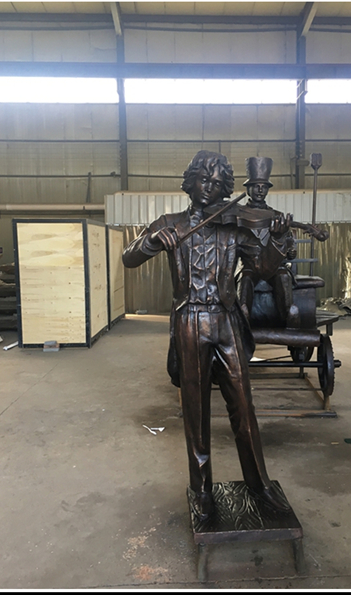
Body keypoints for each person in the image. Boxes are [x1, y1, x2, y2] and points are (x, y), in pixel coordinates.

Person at [122, 150, 292, 520]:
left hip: (226, 320)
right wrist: (153, 241)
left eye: (216, 183)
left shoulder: (234, 227)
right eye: (202, 179)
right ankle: (201, 489)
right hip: (189, 320)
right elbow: (129, 257)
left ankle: (259, 484)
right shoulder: (170, 224)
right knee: (195, 410)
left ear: (225, 189)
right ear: (190, 181)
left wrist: (278, 241)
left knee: (243, 406)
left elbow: (262, 267)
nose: (208, 188)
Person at [238, 157, 300, 329]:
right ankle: (243, 316)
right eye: (256, 186)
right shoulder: (240, 215)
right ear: (248, 189)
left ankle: (288, 315)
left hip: (273, 265)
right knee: (245, 279)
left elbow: (288, 239)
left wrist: (291, 248)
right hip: (250, 265)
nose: (260, 190)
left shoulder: (277, 216)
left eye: (264, 187)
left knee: (283, 276)